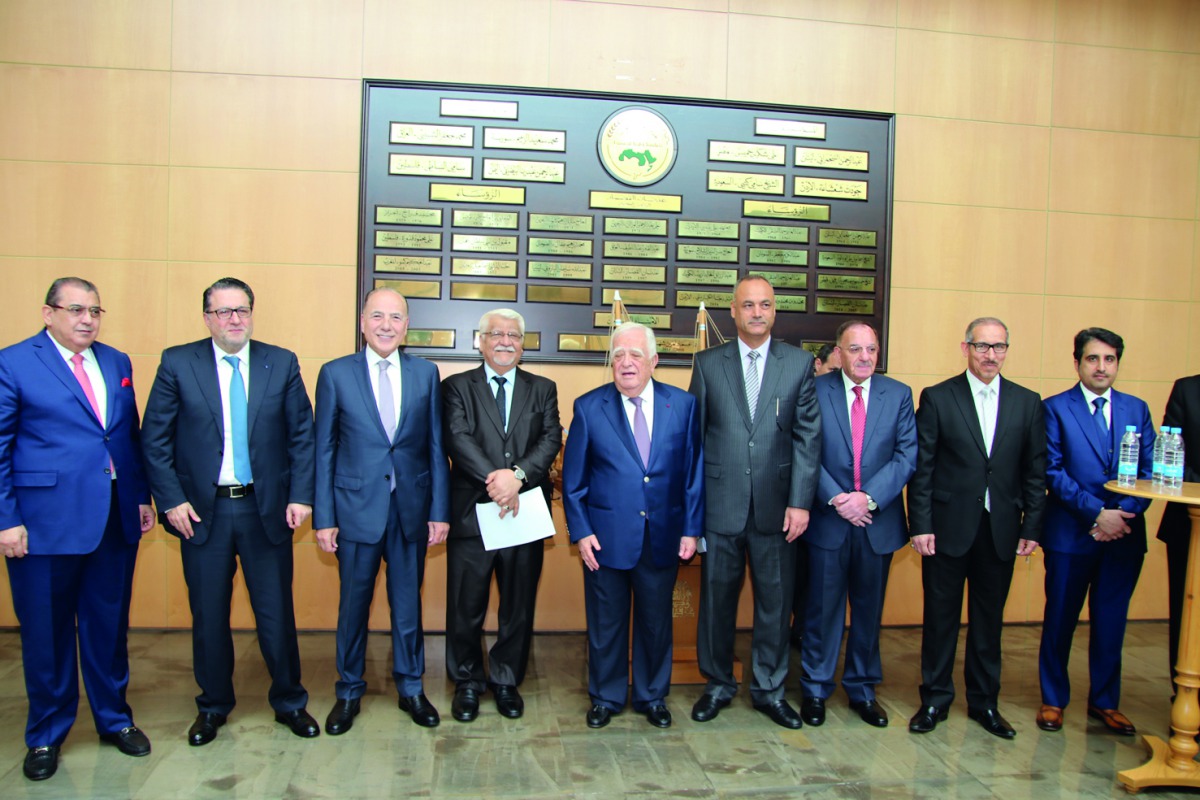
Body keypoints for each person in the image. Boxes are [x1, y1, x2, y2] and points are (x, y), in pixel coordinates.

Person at [142, 277, 319, 746]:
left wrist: (302, 496)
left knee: (276, 615)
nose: (234, 319)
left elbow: (304, 435)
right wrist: (171, 500)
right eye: (223, 312)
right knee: (209, 616)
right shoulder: (178, 363)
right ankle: (213, 706)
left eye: (241, 310)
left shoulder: (279, 362)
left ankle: (290, 702)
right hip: (202, 514)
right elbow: (154, 440)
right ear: (207, 318)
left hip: (267, 511)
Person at [0, 278, 155, 781]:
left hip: (113, 519)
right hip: (42, 526)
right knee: (46, 634)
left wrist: (139, 499)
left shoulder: (117, 361)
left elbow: (126, 437)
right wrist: (6, 520)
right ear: (48, 313)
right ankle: (46, 734)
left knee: (108, 629)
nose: (87, 319)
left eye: (94, 310)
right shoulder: (15, 361)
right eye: (75, 310)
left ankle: (114, 720)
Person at [314, 287, 450, 731]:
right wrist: (324, 517)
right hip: (354, 509)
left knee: (407, 606)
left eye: (395, 317)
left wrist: (439, 510)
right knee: (353, 606)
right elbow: (324, 451)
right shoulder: (335, 374)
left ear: (406, 326)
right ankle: (349, 691)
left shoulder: (426, 373)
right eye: (377, 316)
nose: (386, 325)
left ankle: (411, 688)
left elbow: (435, 446)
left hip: (411, 508)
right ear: (362, 322)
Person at [689, 275, 821, 729]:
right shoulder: (707, 364)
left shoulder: (799, 364)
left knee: (774, 604)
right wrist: (694, 509)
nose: (757, 312)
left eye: (765, 304)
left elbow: (808, 439)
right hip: (720, 506)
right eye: (748, 305)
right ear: (734, 310)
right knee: (716, 605)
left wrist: (801, 502)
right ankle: (719, 684)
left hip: (777, 508)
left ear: (774, 311)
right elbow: (695, 439)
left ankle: (768, 689)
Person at [907, 317, 1046, 739]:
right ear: (965, 347)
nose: (990, 355)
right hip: (946, 529)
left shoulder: (1027, 402)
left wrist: (1032, 526)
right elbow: (922, 469)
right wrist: (921, 524)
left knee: (989, 623)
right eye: (982, 346)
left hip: (1001, 528)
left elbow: (1035, 471)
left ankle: (985, 704)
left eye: (999, 347)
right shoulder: (938, 397)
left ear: (1007, 350)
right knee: (940, 619)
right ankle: (934, 700)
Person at [562, 322, 703, 729]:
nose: (626, 362)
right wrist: (581, 531)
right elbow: (574, 482)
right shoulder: (590, 407)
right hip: (604, 540)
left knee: (656, 623)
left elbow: (692, 473)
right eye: (619, 355)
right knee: (606, 625)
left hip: (663, 537)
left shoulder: (683, 405)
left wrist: (691, 529)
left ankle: (651, 696)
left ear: (653, 361)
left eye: (635, 355)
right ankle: (605, 696)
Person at [441, 308, 561, 722]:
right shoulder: (456, 386)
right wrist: (497, 482)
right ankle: (468, 682)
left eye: (513, 334)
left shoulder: (543, 388)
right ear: (480, 341)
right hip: (473, 513)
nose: (505, 340)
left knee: (518, 605)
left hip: (523, 513)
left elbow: (550, 439)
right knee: (465, 606)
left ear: (523, 344)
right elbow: (456, 437)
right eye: (496, 333)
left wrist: (518, 477)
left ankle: (507, 680)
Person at [1036, 328, 1154, 736]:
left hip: (1124, 536)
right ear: (1077, 362)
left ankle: (1105, 702)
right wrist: (1097, 514)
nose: (1101, 367)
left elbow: (1152, 472)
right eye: (1092, 359)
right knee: (1060, 619)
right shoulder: (1054, 408)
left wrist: (1122, 514)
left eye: (1109, 359)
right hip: (1071, 535)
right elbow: (1052, 470)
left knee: (1110, 622)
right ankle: (1053, 699)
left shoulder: (1136, 409)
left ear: (1118, 363)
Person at [799, 321, 916, 728]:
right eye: (855, 349)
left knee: (868, 612)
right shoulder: (815, 391)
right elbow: (805, 451)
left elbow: (905, 456)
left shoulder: (899, 395)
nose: (864, 357)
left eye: (871, 349)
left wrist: (867, 499)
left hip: (876, 523)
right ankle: (815, 688)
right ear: (839, 352)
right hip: (828, 521)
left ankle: (863, 689)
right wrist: (837, 498)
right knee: (821, 611)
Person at [1158, 375, 1200, 694]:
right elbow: (1171, 455)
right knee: (1186, 613)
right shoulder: (1187, 388)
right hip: (1189, 523)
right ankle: (1184, 694)